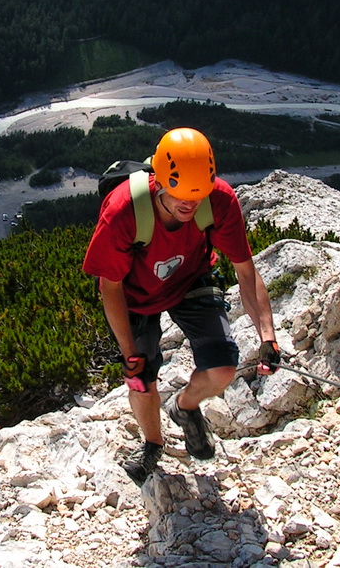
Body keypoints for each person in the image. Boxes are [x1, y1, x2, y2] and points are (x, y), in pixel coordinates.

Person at [83, 127, 280, 486]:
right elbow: (109, 287)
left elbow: (245, 272)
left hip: (191, 279)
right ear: (158, 181)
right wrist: (130, 353)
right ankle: (151, 446)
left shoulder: (218, 200)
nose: (189, 205)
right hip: (135, 298)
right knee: (141, 380)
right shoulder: (123, 210)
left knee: (222, 369)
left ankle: (185, 407)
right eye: (179, 196)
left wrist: (268, 336)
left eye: (197, 196)